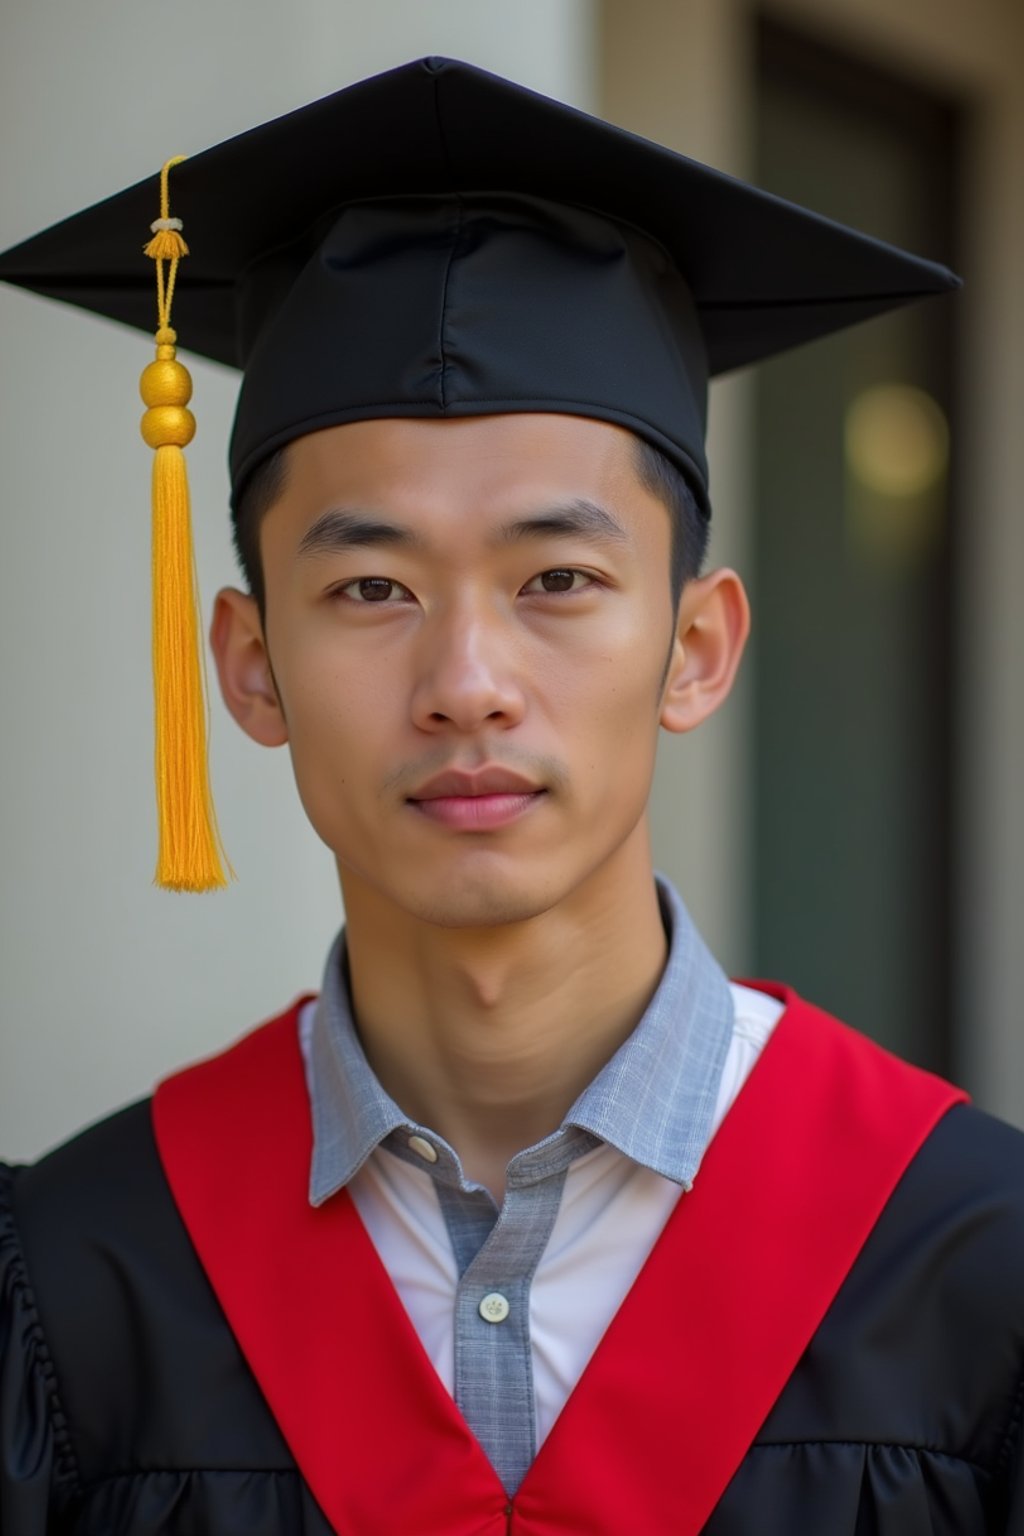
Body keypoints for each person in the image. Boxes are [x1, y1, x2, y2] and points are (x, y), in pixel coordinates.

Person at [1, 55, 1022, 1536]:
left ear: (696, 645)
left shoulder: (978, 1268)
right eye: (369, 585)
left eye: (558, 579)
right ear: (250, 667)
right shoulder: (77, 1286)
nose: (465, 679)